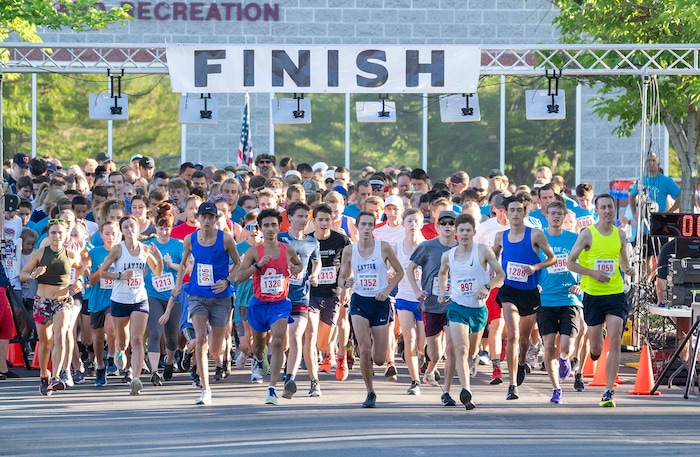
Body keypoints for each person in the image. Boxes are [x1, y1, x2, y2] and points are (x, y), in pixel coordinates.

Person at [567, 193, 634, 408]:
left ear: (614, 210)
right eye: (603, 207)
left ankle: (608, 391)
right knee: (596, 346)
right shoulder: (588, 234)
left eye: (610, 207)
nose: (607, 211)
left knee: (615, 340)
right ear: (596, 210)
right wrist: (592, 273)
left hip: (615, 292)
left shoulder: (620, 235)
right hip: (593, 294)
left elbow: (623, 261)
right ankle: (595, 349)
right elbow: (570, 263)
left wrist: (628, 268)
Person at [173, 202, 240, 405]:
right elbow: (184, 263)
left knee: (214, 349)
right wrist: (178, 285)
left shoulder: (226, 239)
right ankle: (205, 389)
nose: (207, 220)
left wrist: (227, 281)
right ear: (198, 218)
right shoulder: (190, 239)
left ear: (216, 219)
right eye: (204, 217)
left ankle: (216, 357)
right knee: (200, 339)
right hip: (197, 294)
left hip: (220, 295)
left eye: (211, 217)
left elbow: (238, 263)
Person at [235, 208, 303, 405]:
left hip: (280, 303)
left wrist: (296, 269)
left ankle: (272, 388)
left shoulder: (287, 249)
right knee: (258, 347)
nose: (271, 229)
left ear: (279, 226)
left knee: (278, 341)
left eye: (274, 225)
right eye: (266, 225)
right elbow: (239, 278)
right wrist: (257, 266)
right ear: (261, 228)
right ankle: (258, 358)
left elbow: (299, 265)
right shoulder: (254, 251)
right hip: (258, 304)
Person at [492, 192, 556, 401]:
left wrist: (535, 266)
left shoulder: (535, 234)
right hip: (509, 290)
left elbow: (552, 258)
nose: (516, 214)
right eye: (512, 210)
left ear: (524, 212)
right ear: (506, 214)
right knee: (512, 334)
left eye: (520, 210)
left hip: (529, 292)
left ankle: (521, 363)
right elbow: (492, 256)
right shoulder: (500, 236)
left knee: (524, 339)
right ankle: (511, 385)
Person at [437, 214, 504, 410]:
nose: (464, 233)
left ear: (474, 232)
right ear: (456, 233)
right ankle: (466, 389)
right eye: (461, 230)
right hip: (457, 308)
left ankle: (468, 371)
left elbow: (500, 274)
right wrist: (443, 290)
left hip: (478, 310)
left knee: (472, 353)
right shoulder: (448, 255)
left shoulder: (482, 251)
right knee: (460, 349)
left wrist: (487, 286)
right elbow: (442, 272)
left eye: (468, 230)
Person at [338, 210, 404, 408]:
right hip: (359, 301)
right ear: (357, 227)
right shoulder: (349, 250)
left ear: (374, 227)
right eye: (363, 224)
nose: (366, 228)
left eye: (370, 224)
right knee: (365, 350)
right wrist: (346, 282)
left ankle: (374, 351)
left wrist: (387, 290)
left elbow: (400, 272)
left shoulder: (383, 248)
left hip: (380, 302)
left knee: (379, 359)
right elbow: (341, 278)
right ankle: (370, 392)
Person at [99, 215, 164, 395]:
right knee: (122, 341)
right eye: (126, 227)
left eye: (132, 226)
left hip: (139, 299)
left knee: (137, 339)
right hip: (120, 299)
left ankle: (135, 379)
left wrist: (158, 257)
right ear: (122, 231)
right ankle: (120, 351)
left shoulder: (144, 249)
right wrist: (120, 276)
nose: (129, 230)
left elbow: (158, 272)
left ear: (138, 229)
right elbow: (103, 273)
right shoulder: (117, 250)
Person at [20, 218, 83, 395]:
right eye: (53, 233)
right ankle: (43, 375)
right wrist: (34, 273)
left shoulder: (70, 254)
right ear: (49, 234)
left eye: (60, 233)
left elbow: (81, 267)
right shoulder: (40, 253)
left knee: (61, 335)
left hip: (63, 300)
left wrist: (78, 280)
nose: (56, 236)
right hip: (42, 301)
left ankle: (56, 376)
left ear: (66, 236)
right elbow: (22, 275)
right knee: (46, 343)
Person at [406, 210, 458, 407]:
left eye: (451, 223)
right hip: (431, 304)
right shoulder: (427, 246)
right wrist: (416, 290)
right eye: (443, 223)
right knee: (435, 352)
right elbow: (410, 269)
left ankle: (447, 391)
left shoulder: (462, 247)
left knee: (452, 347)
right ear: (436, 226)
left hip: (454, 304)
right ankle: (429, 370)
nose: (447, 226)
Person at [537, 200, 582, 404]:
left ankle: (565, 359)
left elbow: (586, 263)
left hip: (569, 297)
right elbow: (531, 264)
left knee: (566, 346)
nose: (555, 217)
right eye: (552, 213)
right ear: (546, 215)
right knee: (548, 347)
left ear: (564, 218)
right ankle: (556, 389)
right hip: (545, 298)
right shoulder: (538, 239)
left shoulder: (574, 238)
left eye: (559, 214)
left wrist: (580, 282)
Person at [305, 203, 351, 395]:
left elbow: (350, 263)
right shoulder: (306, 241)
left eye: (327, 220)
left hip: (333, 294)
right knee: (310, 334)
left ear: (332, 221)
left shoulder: (341, 240)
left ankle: (334, 354)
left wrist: (347, 286)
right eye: (320, 220)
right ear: (313, 221)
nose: (324, 223)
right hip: (310, 295)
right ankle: (314, 381)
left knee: (323, 343)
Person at [277, 201, 321, 399]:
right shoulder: (280, 238)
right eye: (300, 216)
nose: (304, 220)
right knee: (282, 341)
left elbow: (317, 261)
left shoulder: (312, 242)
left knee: (296, 337)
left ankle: (290, 379)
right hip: (279, 296)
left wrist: (314, 274)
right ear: (290, 218)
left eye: (306, 217)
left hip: (301, 296)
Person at [144, 203, 184, 385]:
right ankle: (154, 371)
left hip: (172, 295)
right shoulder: (147, 246)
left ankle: (169, 361)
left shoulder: (178, 245)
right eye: (160, 228)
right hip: (152, 294)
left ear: (172, 227)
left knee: (172, 336)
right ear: (155, 227)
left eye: (167, 228)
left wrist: (172, 265)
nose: (163, 232)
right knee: (155, 332)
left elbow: (187, 268)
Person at [393, 208, 426, 395]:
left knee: (422, 344)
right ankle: (415, 381)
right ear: (403, 224)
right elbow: (391, 268)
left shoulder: (427, 246)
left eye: (416, 221)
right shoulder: (397, 246)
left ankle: (422, 357)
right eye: (409, 221)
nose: (412, 225)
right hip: (404, 297)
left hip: (423, 299)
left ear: (421, 224)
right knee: (409, 338)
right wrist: (391, 273)